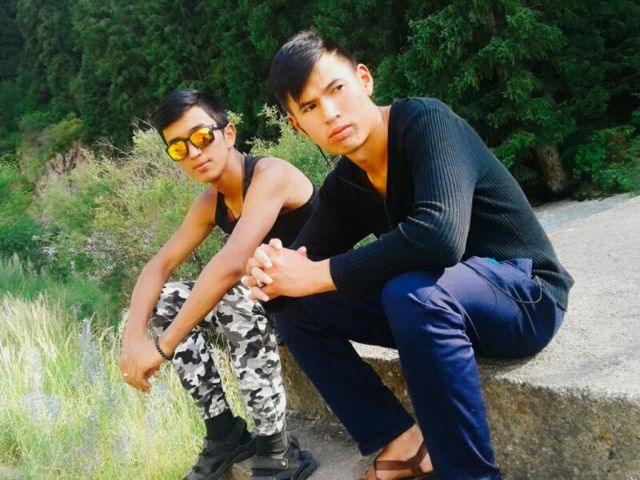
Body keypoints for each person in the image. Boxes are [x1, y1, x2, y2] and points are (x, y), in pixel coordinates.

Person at [243, 32, 574, 480]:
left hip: (525, 296)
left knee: (408, 292)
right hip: (441, 309)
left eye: (336, 89)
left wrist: (317, 274)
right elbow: (300, 265)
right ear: (298, 124)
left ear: (364, 80)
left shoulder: (426, 123)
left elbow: (439, 237)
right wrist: (270, 271)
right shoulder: (347, 183)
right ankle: (402, 441)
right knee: (295, 306)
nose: (331, 113)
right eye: (310, 107)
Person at [118, 89, 317, 480]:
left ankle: (276, 446)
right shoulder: (211, 203)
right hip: (272, 303)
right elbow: (158, 266)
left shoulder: (271, 175)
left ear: (228, 134)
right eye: (179, 148)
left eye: (201, 137)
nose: (194, 152)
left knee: (232, 291)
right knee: (166, 299)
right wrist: (133, 340)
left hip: (319, 299)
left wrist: (162, 347)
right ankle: (224, 432)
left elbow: (231, 263)